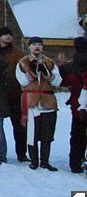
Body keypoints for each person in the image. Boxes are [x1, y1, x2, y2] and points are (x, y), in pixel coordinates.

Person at [17, 36, 62, 171]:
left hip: (48, 103)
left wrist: (46, 72)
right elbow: (22, 82)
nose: (37, 47)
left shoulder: (50, 63)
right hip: (31, 102)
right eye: (34, 44)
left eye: (39, 44)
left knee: (47, 134)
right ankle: (34, 160)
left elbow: (57, 82)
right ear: (29, 47)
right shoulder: (23, 63)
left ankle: (45, 161)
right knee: (32, 134)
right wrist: (31, 72)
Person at [0, 26, 28, 162]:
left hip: (14, 94)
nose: (8, 37)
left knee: (19, 127)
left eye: (10, 35)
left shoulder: (19, 54)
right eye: (5, 35)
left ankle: (21, 153)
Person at [60, 36, 87, 173]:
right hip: (81, 104)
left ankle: (75, 163)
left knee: (77, 135)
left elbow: (61, 82)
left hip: (77, 106)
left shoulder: (68, 66)